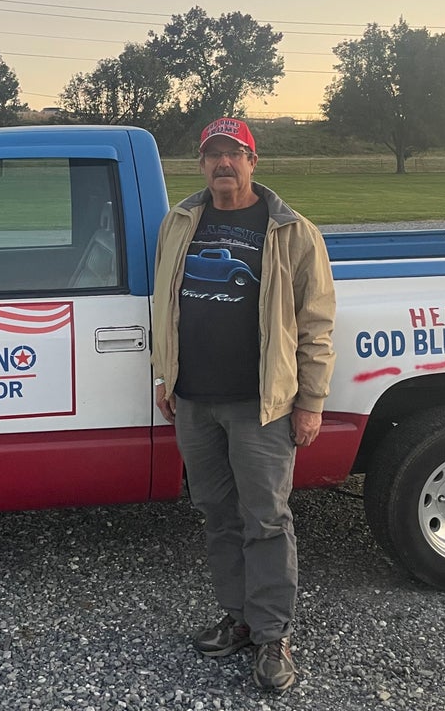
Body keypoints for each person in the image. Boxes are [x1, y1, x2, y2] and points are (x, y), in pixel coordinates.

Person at [150, 117, 336, 692]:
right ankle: (238, 618)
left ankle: (273, 634)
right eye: (213, 156)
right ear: (201, 164)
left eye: (234, 154)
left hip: (261, 405)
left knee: (267, 520)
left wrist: (309, 401)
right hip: (195, 402)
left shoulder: (290, 230)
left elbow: (316, 323)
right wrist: (165, 375)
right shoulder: (181, 222)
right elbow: (165, 301)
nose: (223, 164)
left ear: (254, 162)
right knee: (218, 516)